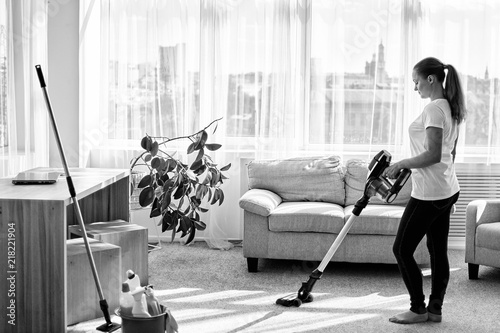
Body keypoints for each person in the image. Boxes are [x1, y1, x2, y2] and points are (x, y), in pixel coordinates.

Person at [383, 57, 466, 324]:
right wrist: (446, 189)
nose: (415, 87)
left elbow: (432, 154)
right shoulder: (451, 107)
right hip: (446, 189)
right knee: (437, 250)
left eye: (416, 82)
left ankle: (418, 308)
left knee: (402, 249)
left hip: (430, 193)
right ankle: (435, 309)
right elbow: (450, 152)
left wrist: (402, 164)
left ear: (430, 79)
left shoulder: (434, 110)